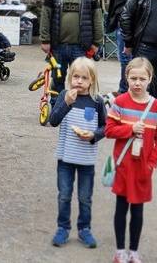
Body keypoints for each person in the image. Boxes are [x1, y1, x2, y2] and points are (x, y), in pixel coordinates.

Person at [105, 57, 157, 263]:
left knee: (138, 210)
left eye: (142, 78)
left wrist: (152, 162)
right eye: (133, 78)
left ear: (150, 79)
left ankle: (134, 251)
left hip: (143, 168)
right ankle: (120, 250)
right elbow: (109, 130)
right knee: (121, 208)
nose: (137, 83)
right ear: (127, 77)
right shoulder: (120, 103)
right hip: (123, 166)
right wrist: (130, 129)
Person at [47, 57, 106, 250]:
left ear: (92, 80)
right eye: (75, 77)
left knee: (84, 197)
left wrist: (93, 135)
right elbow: (53, 120)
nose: (79, 81)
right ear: (70, 77)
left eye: (84, 78)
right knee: (64, 194)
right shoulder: (65, 95)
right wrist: (65, 103)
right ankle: (63, 227)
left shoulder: (97, 101)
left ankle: (84, 228)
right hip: (65, 157)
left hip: (86, 159)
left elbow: (105, 127)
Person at [40, 0, 104, 93]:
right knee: (57, 80)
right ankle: (57, 107)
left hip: (81, 48)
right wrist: (45, 40)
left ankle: (76, 108)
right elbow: (45, 17)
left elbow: (97, 18)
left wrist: (97, 43)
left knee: (81, 81)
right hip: (58, 47)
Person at [107, 0, 144, 93]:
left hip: (125, 26)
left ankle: (125, 91)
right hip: (122, 23)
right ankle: (124, 89)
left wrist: (123, 21)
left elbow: (131, 4)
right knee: (125, 60)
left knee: (126, 60)